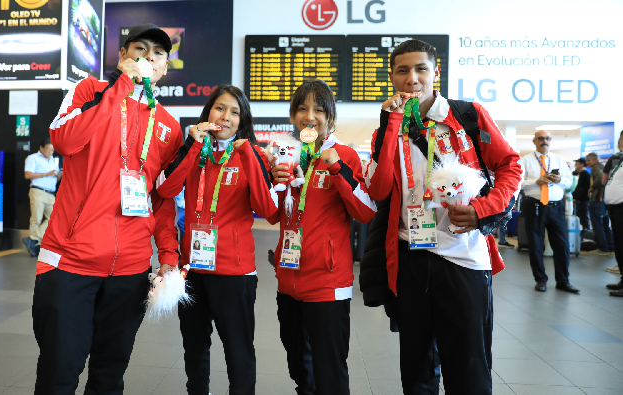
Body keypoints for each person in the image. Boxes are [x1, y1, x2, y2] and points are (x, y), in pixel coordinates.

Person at [32, 23, 207, 394]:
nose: (149, 56)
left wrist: (168, 255)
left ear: (163, 68)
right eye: (140, 48)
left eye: (158, 53)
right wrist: (119, 89)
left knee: (109, 377)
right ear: (123, 56)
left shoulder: (169, 126)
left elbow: (159, 201)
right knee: (58, 373)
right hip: (70, 260)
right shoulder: (89, 91)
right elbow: (64, 140)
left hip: (128, 270)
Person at [362, 39, 522, 395]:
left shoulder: (467, 115)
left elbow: (511, 165)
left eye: (421, 69)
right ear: (392, 77)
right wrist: (391, 124)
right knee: (416, 367)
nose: (412, 78)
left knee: (468, 367)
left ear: (436, 72)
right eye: (402, 71)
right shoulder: (387, 128)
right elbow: (376, 189)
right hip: (410, 257)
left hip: (464, 258)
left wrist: (482, 209)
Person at [268, 79, 377, 395]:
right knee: (298, 364)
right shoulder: (285, 155)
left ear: (330, 116)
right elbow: (273, 214)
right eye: (302, 108)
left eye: (318, 108)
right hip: (288, 277)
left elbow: (366, 212)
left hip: (328, 281)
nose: (309, 116)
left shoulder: (345, 155)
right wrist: (273, 182)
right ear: (293, 115)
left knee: (329, 367)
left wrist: (337, 169)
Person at [175, 84, 278, 395]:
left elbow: (268, 210)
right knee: (194, 349)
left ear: (242, 121)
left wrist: (248, 154)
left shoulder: (254, 155)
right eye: (220, 108)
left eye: (235, 112)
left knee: (238, 350)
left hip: (234, 272)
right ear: (208, 112)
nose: (226, 116)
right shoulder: (193, 151)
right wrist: (191, 147)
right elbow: (166, 191)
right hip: (191, 269)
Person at [520, 131, 578, 292]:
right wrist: (536, 181)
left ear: (550, 141)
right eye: (540, 138)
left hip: (556, 207)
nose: (544, 141)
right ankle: (540, 279)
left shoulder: (558, 159)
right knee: (536, 245)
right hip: (535, 206)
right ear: (534, 141)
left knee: (562, 245)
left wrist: (559, 180)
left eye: (547, 138)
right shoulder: (525, 161)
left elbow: (569, 182)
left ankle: (563, 280)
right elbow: (518, 183)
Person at [22, 138, 61, 257]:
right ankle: (35, 246)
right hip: (38, 191)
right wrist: (47, 174)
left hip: (51, 193)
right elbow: (27, 174)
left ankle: (33, 239)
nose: (50, 152)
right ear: (41, 148)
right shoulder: (33, 158)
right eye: (48, 149)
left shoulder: (54, 160)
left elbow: (55, 178)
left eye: (52, 150)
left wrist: (58, 175)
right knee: (36, 219)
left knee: (55, 218)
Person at [604, 131, 623, 293]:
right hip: (615, 209)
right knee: (619, 244)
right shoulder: (620, 160)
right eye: (620, 140)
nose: (620, 143)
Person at [587, 152, 614, 256]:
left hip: (597, 200)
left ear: (595, 160)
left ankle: (602, 248)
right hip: (604, 201)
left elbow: (599, 178)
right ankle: (610, 247)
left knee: (597, 224)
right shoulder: (604, 167)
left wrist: (592, 187)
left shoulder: (595, 168)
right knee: (605, 224)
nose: (587, 162)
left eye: (589, 160)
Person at [572, 158, 591, 230]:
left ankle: (587, 234)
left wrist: (578, 198)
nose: (575, 165)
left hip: (583, 200)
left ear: (582, 164)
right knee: (580, 217)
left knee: (584, 218)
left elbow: (584, 188)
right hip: (580, 200)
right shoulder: (581, 174)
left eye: (577, 163)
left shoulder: (585, 174)